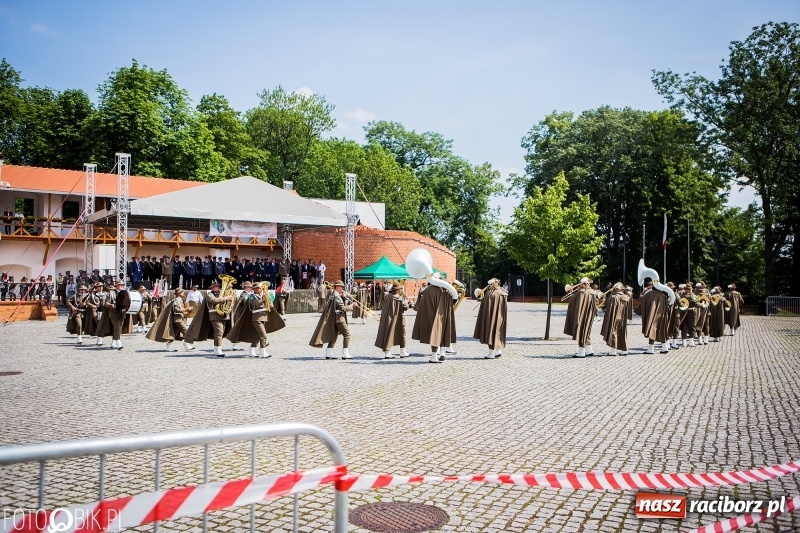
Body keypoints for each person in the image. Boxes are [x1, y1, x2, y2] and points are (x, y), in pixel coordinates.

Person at [411, 273, 458, 363]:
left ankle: (435, 355)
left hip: (430, 316)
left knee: (434, 334)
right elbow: (452, 302)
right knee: (443, 332)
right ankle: (441, 353)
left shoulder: (428, 290)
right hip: (443, 315)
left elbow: (422, 302)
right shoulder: (445, 290)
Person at [186, 280, 235, 356]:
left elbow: (228, 302)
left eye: (218, 286)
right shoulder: (210, 294)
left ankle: (216, 348)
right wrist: (226, 298)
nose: (218, 288)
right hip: (214, 315)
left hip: (223, 315)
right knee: (219, 332)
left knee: (221, 333)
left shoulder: (221, 294)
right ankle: (218, 349)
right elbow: (213, 300)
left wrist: (229, 299)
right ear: (212, 288)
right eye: (216, 287)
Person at [310, 280, 354, 359]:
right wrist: (352, 306)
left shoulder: (334, 294)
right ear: (337, 287)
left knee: (334, 336)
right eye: (341, 287)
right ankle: (345, 353)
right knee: (347, 335)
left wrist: (343, 297)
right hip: (339, 319)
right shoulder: (336, 296)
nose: (342, 288)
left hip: (335, 318)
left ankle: (328, 353)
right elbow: (342, 308)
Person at [146, 287, 193, 351]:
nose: (183, 293)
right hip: (177, 320)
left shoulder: (180, 300)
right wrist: (186, 309)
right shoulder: (176, 300)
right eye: (182, 292)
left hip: (180, 318)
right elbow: (176, 309)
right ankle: (186, 344)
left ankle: (169, 346)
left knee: (173, 334)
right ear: (178, 293)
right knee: (186, 331)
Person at [473, 278, 508, 359]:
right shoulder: (503, 294)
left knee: (491, 331)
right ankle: (498, 351)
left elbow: (485, 307)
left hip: (491, 316)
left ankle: (491, 353)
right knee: (499, 331)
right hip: (501, 317)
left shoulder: (489, 294)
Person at [563, 277, 598, 358]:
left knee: (581, 331)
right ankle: (589, 350)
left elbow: (573, 299)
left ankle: (581, 352)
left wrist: (572, 292)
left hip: (581, 314)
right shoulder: (593, 292)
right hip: (589, 315)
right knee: (586, 332)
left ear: (582, 284)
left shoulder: (581, 292)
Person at [375, 280, 410, 359]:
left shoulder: (388, 296)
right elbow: (405, 307)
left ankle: (389, 352)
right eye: (400, 289)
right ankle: (401, 351)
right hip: (397, 318)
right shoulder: (398, 298)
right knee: (401, 334)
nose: (401, 291)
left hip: (389, 318)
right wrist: (406, 301)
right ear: (397, 290)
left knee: (388, 333)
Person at [639, 280, 671, 353]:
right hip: (662, 315)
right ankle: (665, 348)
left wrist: (644, 291)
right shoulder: (663, 295)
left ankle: (651, 349)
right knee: (662, 330)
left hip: (652, 315)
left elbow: (641, 298)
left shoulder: (650, 293)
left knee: (652, 330)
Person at [96, 280, 128, 349]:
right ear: (116, 286)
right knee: (117, 328)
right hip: (114, 313)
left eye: (122, 285)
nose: (122, 286)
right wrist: (111, 305)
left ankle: (113, 343)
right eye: (120, 285)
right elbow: (106, 303)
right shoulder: (111, 293)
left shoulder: (124, 293)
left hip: (122, 313)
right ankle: (119, 343)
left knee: (118, 328)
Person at [600, 282, 629, 355]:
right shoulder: (625, 296)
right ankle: (624, 350)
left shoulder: (613, 297)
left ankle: (613, 351)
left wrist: (611, 293)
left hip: (614, 316)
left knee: (613, 332)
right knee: (622, 332)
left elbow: (607, 304)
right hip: (622, 317)